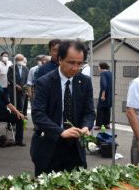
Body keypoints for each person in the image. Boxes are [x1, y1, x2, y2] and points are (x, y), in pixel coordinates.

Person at [31, 40, 95, 176]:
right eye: (71, 63)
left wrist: (86, 127)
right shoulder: (44, 82)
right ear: (60, 59)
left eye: (80, 63)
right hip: (49, 147)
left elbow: (89, 112)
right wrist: (60, 131)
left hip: (75, 149)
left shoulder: (85, 82)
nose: (75, 68)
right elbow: (38, 115)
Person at [95, 62, 112, 130]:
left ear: (101, 67)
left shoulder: (103, 73)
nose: (98, 68)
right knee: (107, 109)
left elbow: (104, 84)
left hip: (104, 94)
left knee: (100, 108)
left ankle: (99, 125)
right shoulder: (110, 73)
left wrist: (103, 95)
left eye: (98, 67)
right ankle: (107, 124)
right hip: (110, 94)